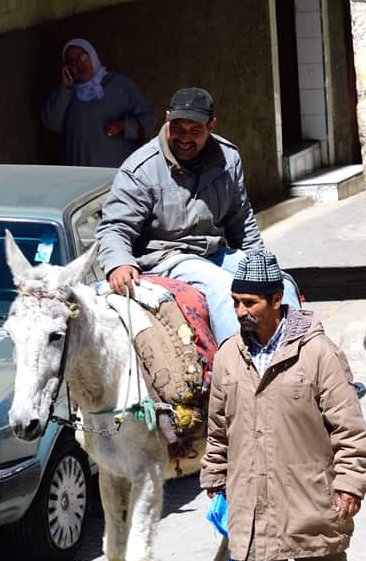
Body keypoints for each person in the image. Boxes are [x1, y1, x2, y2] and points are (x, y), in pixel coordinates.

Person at [201, 251, 366, 561]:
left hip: (310, 493)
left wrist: (350, 484)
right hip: (251, 498)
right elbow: (219, 428)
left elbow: (349, 428)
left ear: (277, 300)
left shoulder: (318, 354)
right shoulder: (228, 359)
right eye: (235, 302)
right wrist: (214, 477)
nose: (240, 312)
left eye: (250, 303)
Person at [95, 87, 299, 342]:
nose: (184, 138)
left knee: (279, 284)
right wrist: (119, 263)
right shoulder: (141, 169)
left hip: (215, 253)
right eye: (178, 128)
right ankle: (238, 368)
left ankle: (295, 356)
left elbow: (242, 220)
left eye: (195, 131)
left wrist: (260, 264)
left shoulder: (228, 159)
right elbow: (114, 227)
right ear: (167, 118)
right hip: (168, 258)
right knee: (226, 290)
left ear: (211, 126)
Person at [41, 38, 157, 168]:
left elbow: (148, 118)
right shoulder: (67, 93)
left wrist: (124, 126)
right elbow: (51, 124)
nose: (79, 64)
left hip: (116, 172)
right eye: (72, 61)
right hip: (79, 175)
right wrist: (65, 89)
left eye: (83, 57)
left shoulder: (119, 84)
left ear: (93, 56)